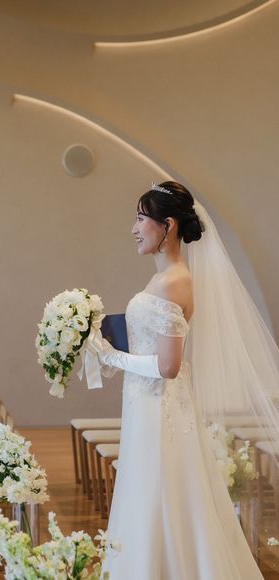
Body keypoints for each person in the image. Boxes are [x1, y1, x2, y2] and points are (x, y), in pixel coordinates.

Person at [97, 181, 277, 579]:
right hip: (145, 405)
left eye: (141, 219)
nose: (134, 229)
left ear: (169, 226)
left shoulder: (174, 280)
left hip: (159, 408)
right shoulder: (165, 277)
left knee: (160, 495)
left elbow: (168, 366)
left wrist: (111, 356)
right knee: (150, 494)